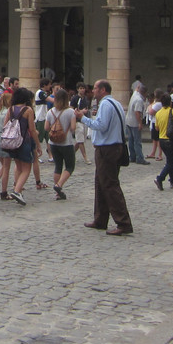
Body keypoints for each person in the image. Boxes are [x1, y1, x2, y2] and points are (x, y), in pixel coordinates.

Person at [78, 80, 134, 235]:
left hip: (107, 148)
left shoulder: (105, 105)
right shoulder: (116, 104)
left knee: (110, 185)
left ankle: (123, 223)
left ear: (102, 90)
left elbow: (101, 126)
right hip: (114, 147)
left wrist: (82, 118)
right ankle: (100, 219)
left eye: (95, 88)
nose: (93, 91)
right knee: (101, 184)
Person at [5, 88, 40, 205]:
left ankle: (17, 188)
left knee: (19, 167)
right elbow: (32, 129)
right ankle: (17, 191)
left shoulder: (10, 109)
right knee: (26, 169)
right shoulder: (28, 110)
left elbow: (5, 125)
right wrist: (38, 145)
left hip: (13, 143)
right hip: (24, 142)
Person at [49, 88, 77, 199]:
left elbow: (46, 127)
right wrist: (68, 127)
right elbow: (73, 128)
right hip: (66, 143)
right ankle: (59, 185)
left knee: (58, 166)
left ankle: (57, 193)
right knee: (70, 166)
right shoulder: (70, 112)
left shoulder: (50, 112)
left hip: (53, 143)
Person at [153, 93, 173, 191]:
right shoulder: (172, 111)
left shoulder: (158, 113)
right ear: (170, 102)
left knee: (171, 160)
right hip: (170, 139)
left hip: (162, 139)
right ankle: (160, 178)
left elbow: (156, 128)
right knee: (171, 161)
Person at [126, 81, 148, 164]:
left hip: (128, 121)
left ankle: (132, 156)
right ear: (144, 93)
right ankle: (139, 158)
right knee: (137, 141)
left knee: (131, 140)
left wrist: (138, 86)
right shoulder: (139, 100)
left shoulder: (134, 95)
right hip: (134, 122)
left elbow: (136, 89)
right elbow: (137, 112)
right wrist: (140, 123)